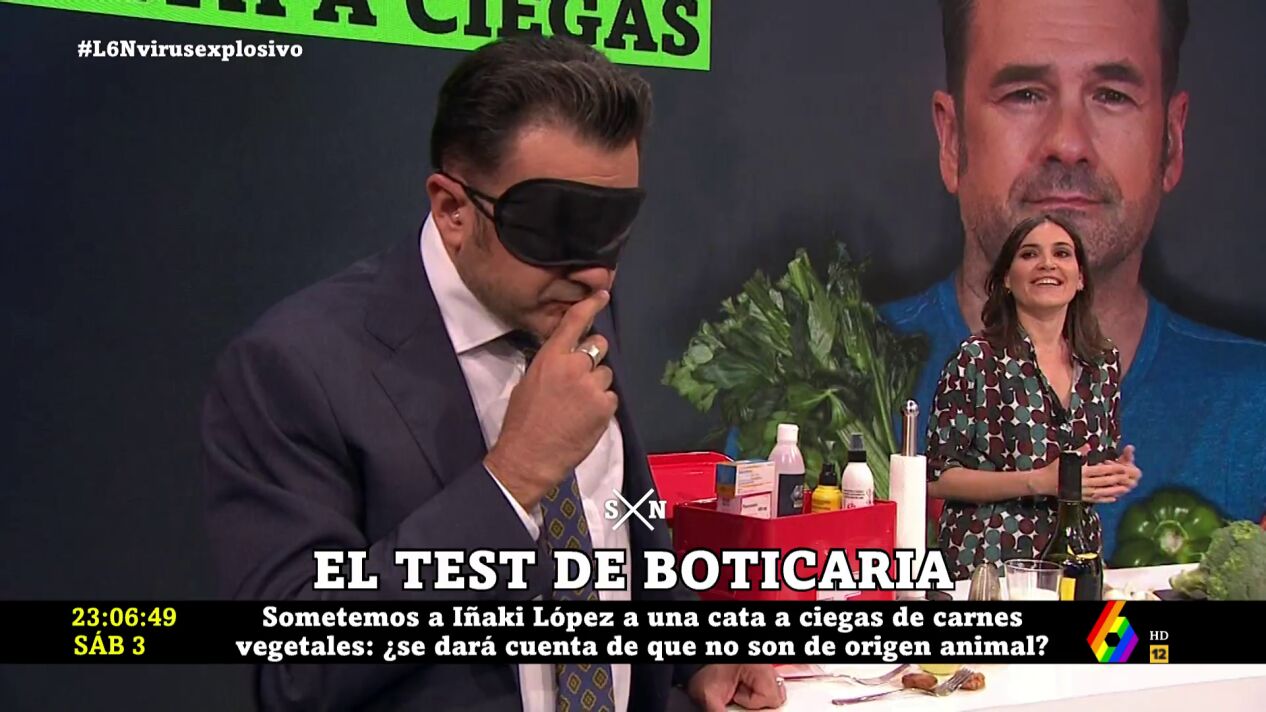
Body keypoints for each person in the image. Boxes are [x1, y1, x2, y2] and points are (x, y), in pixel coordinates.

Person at [200, 35, 784, 712]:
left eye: (613, 228)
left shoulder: (573, 299)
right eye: (557, 228)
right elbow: (293, 671)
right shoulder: (293, 369)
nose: (596, 271)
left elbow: (613, 531)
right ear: (453, 210)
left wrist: (697, 654)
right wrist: (512, 476)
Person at [880, 0, 1266, 564]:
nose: (1067, 143)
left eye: (1111, 95)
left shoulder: (1255, 405)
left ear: (1171, 141)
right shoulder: (833, 381)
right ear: (952, 139)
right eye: (1024, 94)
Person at [925, 214, 1142, 580]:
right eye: (1029, 254)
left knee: (1124, 622)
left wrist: (1113, 474)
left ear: (1080, 277)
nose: (1047, 264)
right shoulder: (976, 359)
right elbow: (936, 477)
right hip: (989, 565)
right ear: (1007, 280)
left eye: (1062, 253)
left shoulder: (1102, 362)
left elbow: (1089, 466)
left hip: (1078, 562)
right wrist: (1038, 480)